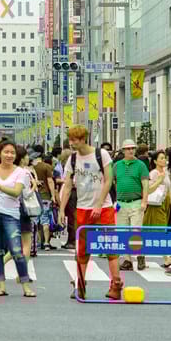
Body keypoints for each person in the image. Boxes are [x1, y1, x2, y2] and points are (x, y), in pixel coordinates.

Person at [59, 127, 118, 299]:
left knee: (110, 246)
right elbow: (68, 185)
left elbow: (108, 180)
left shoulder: (102, 155)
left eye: (75, 139)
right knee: (82, 249)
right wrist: (62, 209)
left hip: (104, 207)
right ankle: (80, 285)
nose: (72, 143)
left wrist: (99, 204)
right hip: (82, 207)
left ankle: (116, 285)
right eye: (71, 139)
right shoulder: (73, 158)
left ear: (84, 138)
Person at [0, 139, 35, 297]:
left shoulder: (21, 172)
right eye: (6, 152)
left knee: (17, 250)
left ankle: (26, 286)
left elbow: (17, 192)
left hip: (11, 214)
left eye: (12, 152)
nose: (9, 155)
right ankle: (1, 286)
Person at [114, 139, 149, 270]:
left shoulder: (141, 165)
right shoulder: (117, 165)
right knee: (122, 232)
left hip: (136, 202)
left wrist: (144, 201)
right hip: (121, 203)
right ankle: (127, 260)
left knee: (136, 231)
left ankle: (140, 256)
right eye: (128, 148)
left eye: (132, 148)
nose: (130, 151)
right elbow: (114, 182)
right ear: (123, 151)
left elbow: (145, 184)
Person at [33, 152, 56, 250]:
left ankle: (37, 241)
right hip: (45, 196)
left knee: (36, 221)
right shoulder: (47, 167)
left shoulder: (30, 168)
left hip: (34, 197)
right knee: (45, 220)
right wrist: (53, 196)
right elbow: (50, 181)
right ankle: (46, 242)